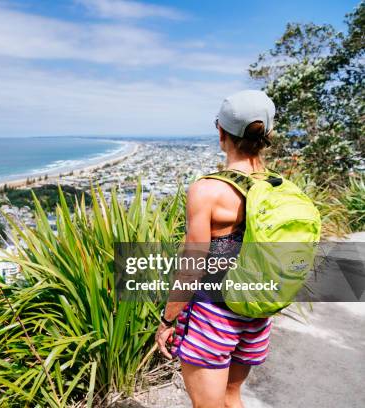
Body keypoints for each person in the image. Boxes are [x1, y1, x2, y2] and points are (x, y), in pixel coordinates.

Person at [156, 90, 276, 408]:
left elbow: (193, 264)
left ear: (221, 132)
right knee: (231, 396)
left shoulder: (208, 190)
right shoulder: (277, 186)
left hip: (214, 315)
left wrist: (167, 321)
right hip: (257, 312)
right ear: (268, 134)